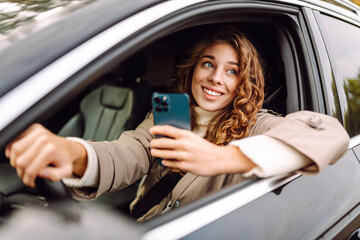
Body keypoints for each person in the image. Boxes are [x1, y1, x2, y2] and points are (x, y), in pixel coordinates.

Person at [5, 27, 349, 221]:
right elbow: (129, 153)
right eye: (208, 64)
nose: (216, 78)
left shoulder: (256, 125)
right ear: (193, 69)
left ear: (244, 81)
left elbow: (331, 133)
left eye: (232, 71)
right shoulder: (170, 114)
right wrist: (72, 152)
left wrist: (224, 158)